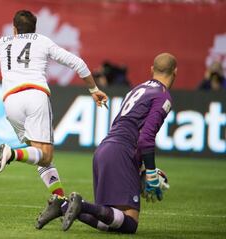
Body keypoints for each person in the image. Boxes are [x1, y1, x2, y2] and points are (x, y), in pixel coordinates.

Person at [36, 53, 177, 234]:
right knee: (129, 224)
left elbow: (127, 127)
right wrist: (150, 172)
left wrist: (139, 167)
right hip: (122, 153)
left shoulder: (137, 89)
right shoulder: (163, 96)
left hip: (105, 149)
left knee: (111, 220)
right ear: (175, 72)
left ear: (152, 70)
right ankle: (81, 204)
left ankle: (62, 205)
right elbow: (146, 138)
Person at [0, 10, 108, 198]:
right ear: (34, 28)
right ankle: (12, 153)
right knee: (45, 155)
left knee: (38, 155)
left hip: (10, 103)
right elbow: (78, 64)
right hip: (35, 96)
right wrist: (93, 89)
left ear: (14, 29)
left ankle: (60, 199)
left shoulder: (2, 43)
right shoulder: (42, 41)